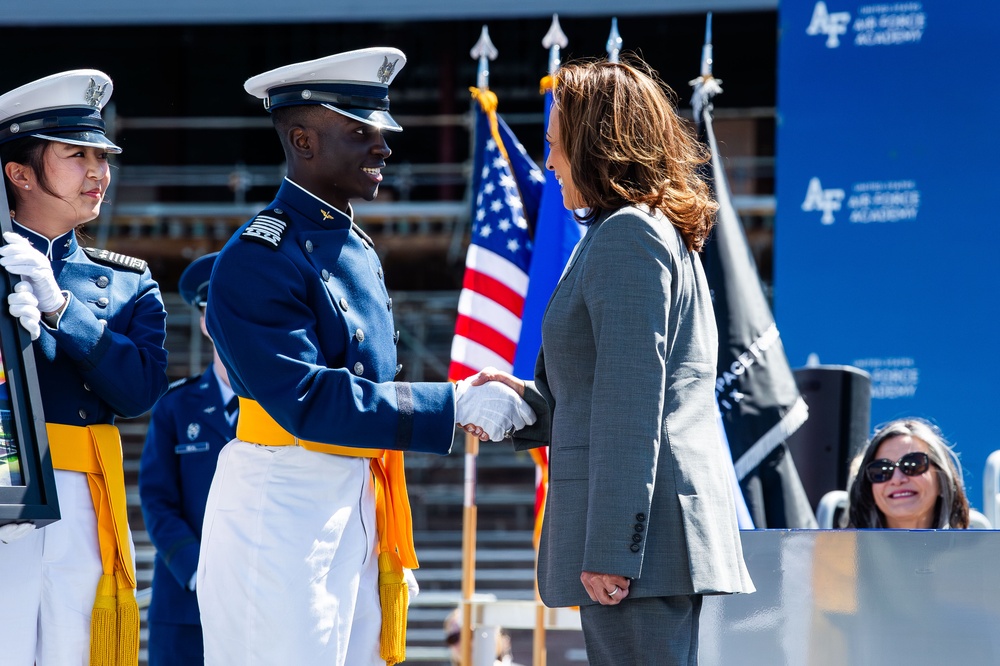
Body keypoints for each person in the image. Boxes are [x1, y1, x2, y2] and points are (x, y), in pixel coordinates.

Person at [197, 47, 534, 666]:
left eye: (382, 131)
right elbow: (311, 399)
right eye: (360, 131)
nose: (382, 146)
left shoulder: (352, 242)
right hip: (284, 494)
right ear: (302, 139)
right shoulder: (258, 256)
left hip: (354, 491)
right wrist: (454, 402)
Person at [465, 57, 755, 666]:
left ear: (596, 144)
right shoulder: (632, 231)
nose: (549, 163)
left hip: (641, 552)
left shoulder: (629, 235)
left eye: (557, 146)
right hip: (648, 546)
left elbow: (632, 402)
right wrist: (523, 398)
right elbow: (605, 387)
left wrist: (613, 552)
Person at [0, 69, 170, 665]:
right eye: (77, 155)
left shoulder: (126, 281)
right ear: (19, 174)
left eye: (103, 155)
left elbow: (139, 391)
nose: (98, 171)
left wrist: (60, 308)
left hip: (83, 503)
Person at [138, 252, 236, 666]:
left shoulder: (287, 410)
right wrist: (197, 571)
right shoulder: (175, 408)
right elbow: (157, 500)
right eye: (217, 310)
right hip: (185, 604)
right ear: (203, 321)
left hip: (265, 597)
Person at [845, 417, 969, 529]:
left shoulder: (975, 552)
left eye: (912, 465)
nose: (897, 479)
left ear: (942, 481)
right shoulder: (843, 553)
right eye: (882, 470)